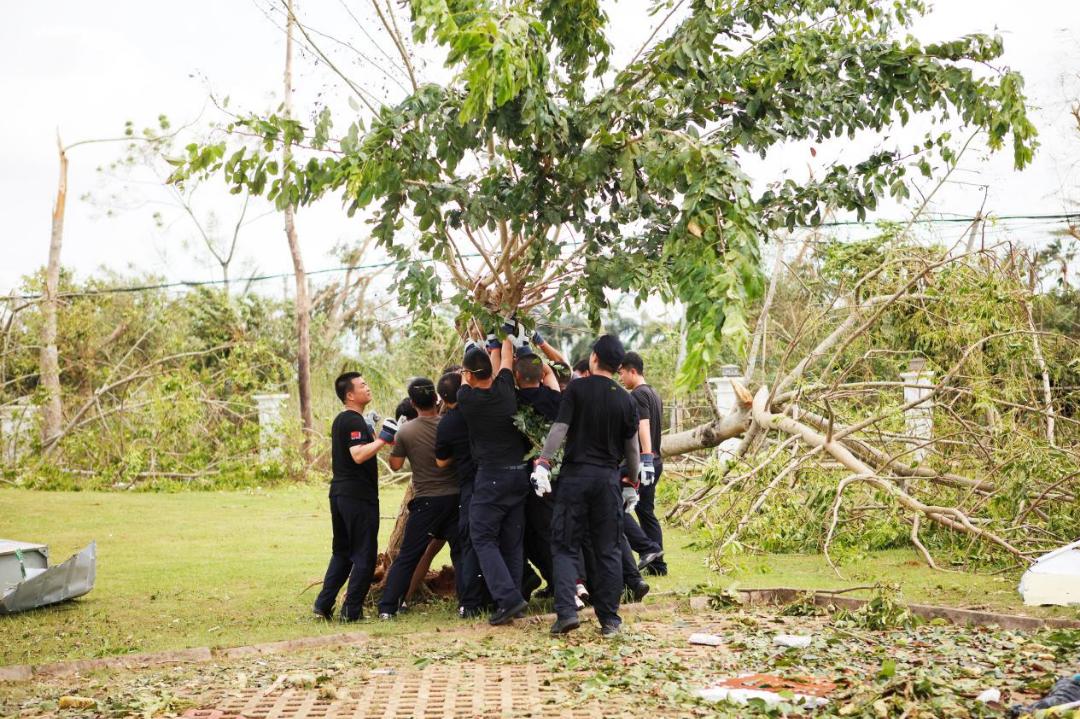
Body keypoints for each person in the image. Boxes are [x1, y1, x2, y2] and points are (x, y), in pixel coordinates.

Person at [532, 335, 640, 637]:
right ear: (618, 366)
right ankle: (610, 620)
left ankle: (566, 613)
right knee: (607, 550)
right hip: (607, 481)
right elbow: (632, 449)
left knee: (565, 545)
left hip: (576, 477)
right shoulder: (626, 399)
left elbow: (560, 428)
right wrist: (631, 482)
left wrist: (544, 461)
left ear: (593, 358)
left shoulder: (577, 389)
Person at [457, 334, 532, 626]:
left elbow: (466, 381)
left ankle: (508, 598)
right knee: (512, 542)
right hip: (519, 475)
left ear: (469, 375)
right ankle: (514, 600)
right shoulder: (505, 388)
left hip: (492, 477)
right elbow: (506, 358)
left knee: (482, 537)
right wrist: (504, 336)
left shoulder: (468, 398)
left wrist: (467, 370)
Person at [313, 372, 399, 622]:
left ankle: (323, 605)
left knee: (342, 552)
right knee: (364, 554)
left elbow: (366, 447)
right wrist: (382, 438)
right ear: (350, 395)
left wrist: (375, 432)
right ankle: (351, 612)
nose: (368, 387)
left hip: (341, 494)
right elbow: (359, 455)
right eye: (363, 385)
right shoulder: (351, 420)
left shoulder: (349, 420)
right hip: (357, 497)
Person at [378, 378, 462, 619]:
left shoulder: (406, 431)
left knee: (408, 555)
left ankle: (388, 608)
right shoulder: (449, 425)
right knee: (461, 552)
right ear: (437, 400)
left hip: (426, 501)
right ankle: (468, 604)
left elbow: (395, 465)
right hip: (455, 498)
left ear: (413, 403)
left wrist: (394, 437)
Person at [434, 370, 490, 618]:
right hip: (496, 479)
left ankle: (470, 602)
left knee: (469, 542)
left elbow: (442, 462)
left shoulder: (447, 423)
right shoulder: (483, 408)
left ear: (444, 399)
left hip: (470, 484)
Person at [514, 351, 562, 599]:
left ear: (517, 375)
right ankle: (562, 582)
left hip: (528, 476)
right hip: (556, 472)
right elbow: (550, 373)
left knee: (537, 534)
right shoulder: (556, 399)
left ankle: (562, 582)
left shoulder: (514, 401)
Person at [618, 352, 667, 575]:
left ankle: (648, 553)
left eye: (621, 373)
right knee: (646, 511)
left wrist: (644, 458)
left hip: (644, 461)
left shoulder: (637, 395)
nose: (620, 378)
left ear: (633, 371)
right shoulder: (654, 393)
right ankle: (658, 564)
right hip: (657, 460)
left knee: (617, 507)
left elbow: (643, 426)